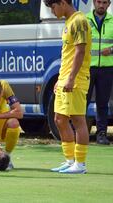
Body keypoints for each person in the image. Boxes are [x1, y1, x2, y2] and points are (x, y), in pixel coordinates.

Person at [44, 0, 92, 174]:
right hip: (65, 79)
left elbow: (80, 51)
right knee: (59, 119)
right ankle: (70, 160)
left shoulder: (79, 21)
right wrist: (61, 78)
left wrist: (71, 78)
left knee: (78, 119)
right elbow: (68, 54)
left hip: (76, 79)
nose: (52, 11)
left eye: (53, 7)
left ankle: (80, 164)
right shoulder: (68, 22)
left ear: (63, 3)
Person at [86, 0, 113, 145]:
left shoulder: (112, 21)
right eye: (98, 2)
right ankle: (80, 132)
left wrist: (111, 50)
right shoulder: (85, 20)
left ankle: (101, 134)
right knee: (82, 102)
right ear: (94, 3)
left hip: (107, 68)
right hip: (87, 68)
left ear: (109, 4)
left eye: (104, 2)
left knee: (103, 103)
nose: (101, 5)